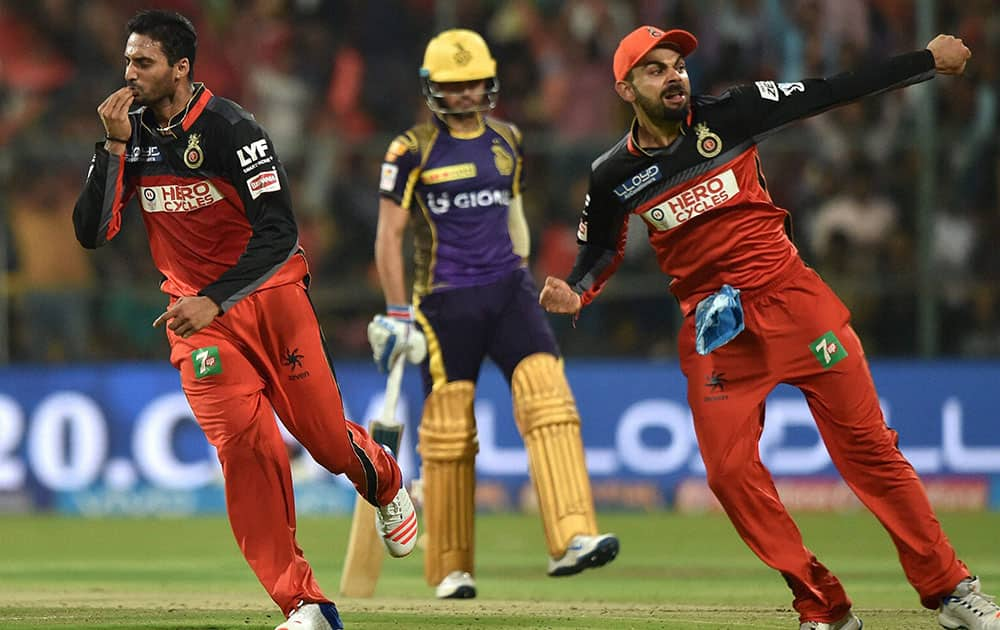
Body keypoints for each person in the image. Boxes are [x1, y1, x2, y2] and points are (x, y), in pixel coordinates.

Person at [540, 24, 998, 630]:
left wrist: (925, 61)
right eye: (655, 69)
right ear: (626, 88)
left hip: (794, 303)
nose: (674, 75)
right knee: (729, 475)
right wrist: (576, 291)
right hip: (717, 330)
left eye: (677, 65)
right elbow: (600, 250)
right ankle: (822, 606)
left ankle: (950, 589)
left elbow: (831, 90)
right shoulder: (612, 173)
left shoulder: (733, 112)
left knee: (871, 452)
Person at [72, 11, 417, 630]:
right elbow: (93, 233)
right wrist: (114, 146)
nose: (128, 73)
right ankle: (305, 604)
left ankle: (383, 478)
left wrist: (220, 294)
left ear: (180, 68)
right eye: (127, 61)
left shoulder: (234, 129)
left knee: (324, 440)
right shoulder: (132, 137)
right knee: (246, 449)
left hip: (271, 298)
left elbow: (280, 233)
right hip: (196, 321)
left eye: (141, 62)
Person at [368, 28, 618, 600]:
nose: (463, 95)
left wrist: (524, 274)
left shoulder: (507, 139)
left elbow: (515, 213)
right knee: (449, 434)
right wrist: (398, 312)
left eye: (473, 84)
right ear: (432, 89)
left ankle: (573, 537)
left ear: (490, 84)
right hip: (444, 302)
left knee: (548, 397)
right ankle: (451, 567)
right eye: (451, 86)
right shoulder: (410, 150)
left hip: (508, 290)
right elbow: (389, 235)